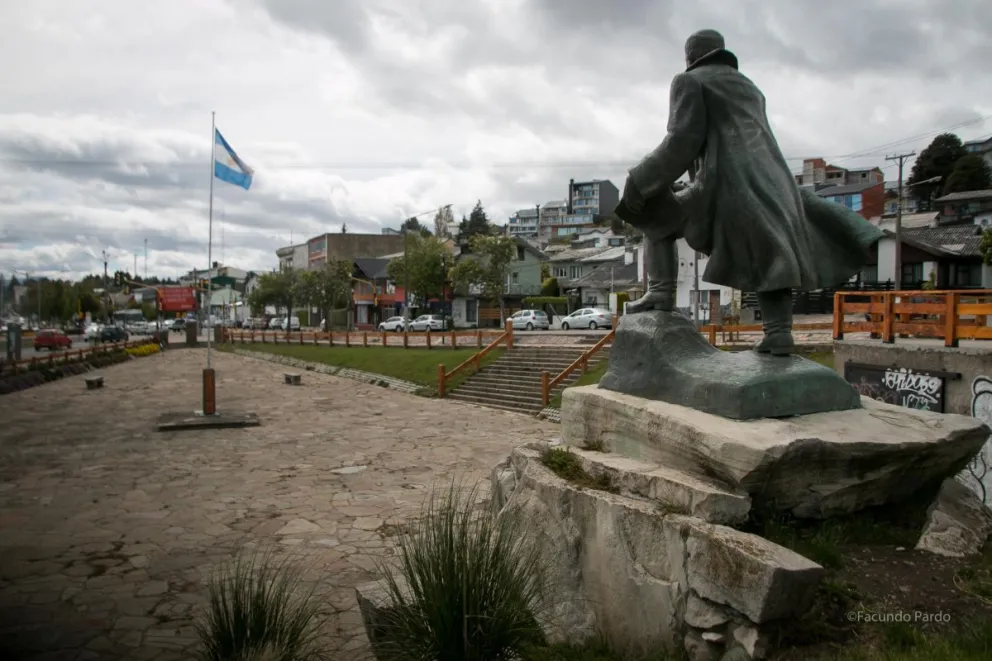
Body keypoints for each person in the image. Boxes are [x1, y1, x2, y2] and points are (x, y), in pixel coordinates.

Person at [616, 29, 883, 356]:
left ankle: (661, 292)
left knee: (656, 219)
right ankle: (779, 332)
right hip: (772, 182)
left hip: (724, 184)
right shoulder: (749, 87)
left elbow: (682, 140)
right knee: (772, 249)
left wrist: (641, 179)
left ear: (691, 57)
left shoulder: (690, 81)